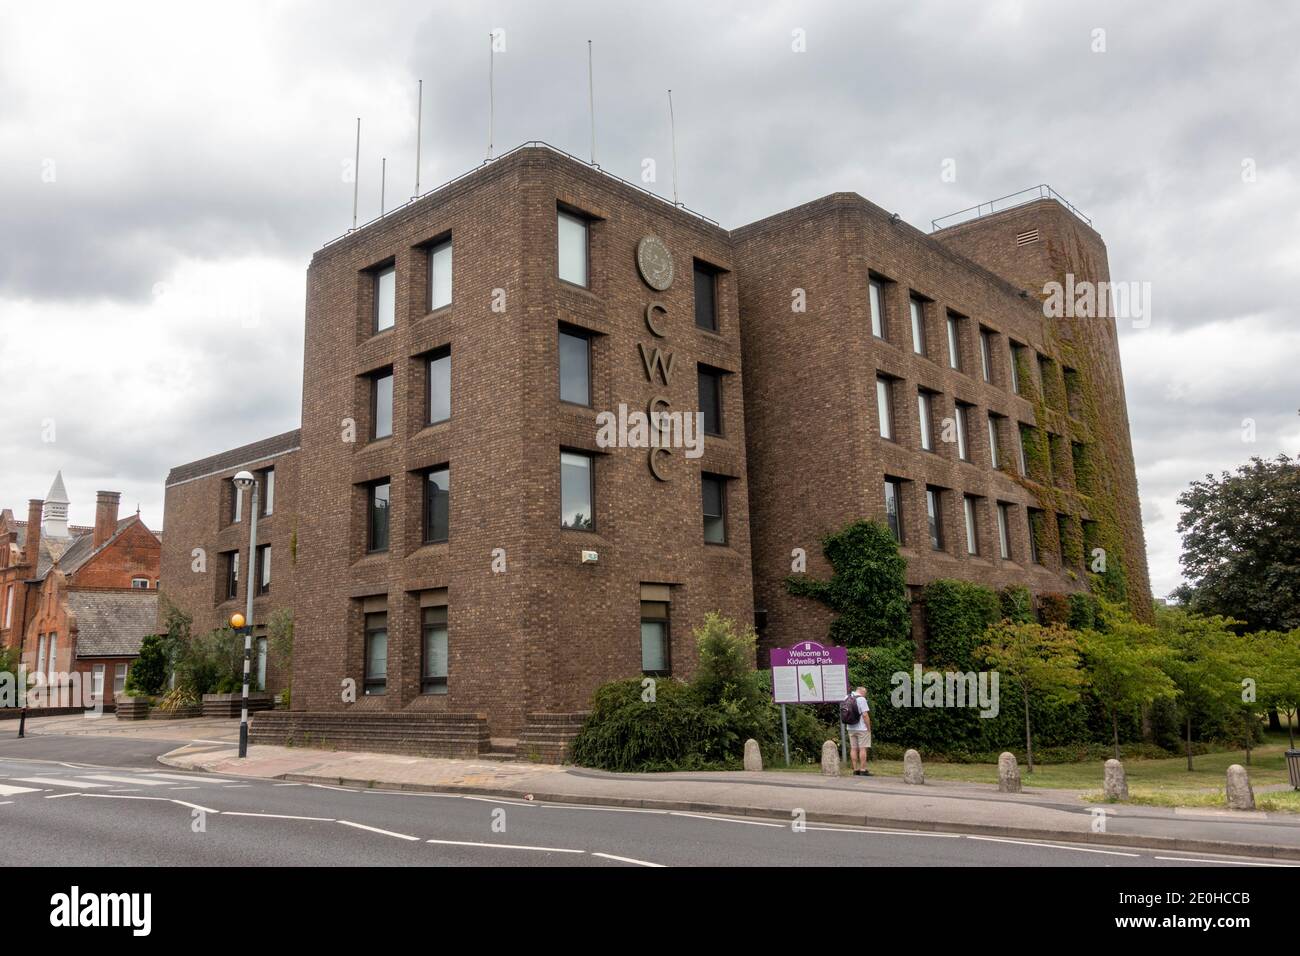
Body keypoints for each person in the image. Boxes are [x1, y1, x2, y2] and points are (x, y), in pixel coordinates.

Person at [847, 686, 872, 776]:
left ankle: (855, 769)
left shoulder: (847, 697)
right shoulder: (861, 699)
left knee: (853, 748)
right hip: (861, 728)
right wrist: (868, 727)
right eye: (865, 694)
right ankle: (863, 769)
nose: (865, 696)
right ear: (862, 692)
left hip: (850, 727)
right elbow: (865, 715)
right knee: (862, 748)